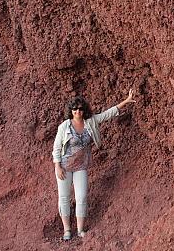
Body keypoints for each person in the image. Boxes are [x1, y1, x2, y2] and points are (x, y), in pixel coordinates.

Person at [52, 89, 136, 240]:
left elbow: (107, 114)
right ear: (71, 110)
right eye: (74, 109)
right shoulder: (64, 126)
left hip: (81, 166)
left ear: (84, 110)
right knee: (64, 197)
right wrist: (57, 166)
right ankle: (67, 230)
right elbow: (56, 148)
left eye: (80, 109)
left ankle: (80, 230)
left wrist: (126, 101)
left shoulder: (90, 122)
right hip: (64, 167)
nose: (78, 111)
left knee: (82, 197)